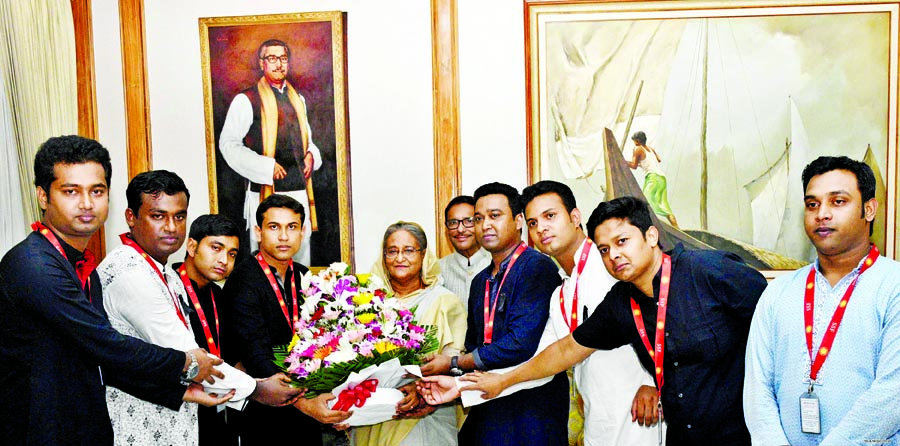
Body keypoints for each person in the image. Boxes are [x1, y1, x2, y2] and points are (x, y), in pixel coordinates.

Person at [430, 196, 768, 445]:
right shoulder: (606, 296)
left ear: (651, 236)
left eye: (622, 242)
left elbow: (770, 323)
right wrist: (477, 384)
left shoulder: (705, 271)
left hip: (720, 428)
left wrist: (652, 381)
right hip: (634, 423)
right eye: (605, 249)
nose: (614, 255)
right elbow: (561, 351)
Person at [0, 136, 228, 445]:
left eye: (97, 191)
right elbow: (108, 344)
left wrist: (180, 391)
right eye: (70, 191)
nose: (86, 203)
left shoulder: (83, 268)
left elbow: (101, 361)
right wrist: (186, 364)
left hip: (79, 427)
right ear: (43, 197)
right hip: (38, 430)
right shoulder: (34, 265)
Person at [98, 171, 303, 445]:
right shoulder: (130, 272)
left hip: (194, 409)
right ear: (131, 217)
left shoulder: (163, 272)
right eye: (158, 216)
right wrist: (256, 388)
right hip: (141, 420)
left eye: (179, 216)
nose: (171, 227)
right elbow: (188, 356)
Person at [744, 156, 900, 445]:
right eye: (812, 204)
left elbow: (892, 393)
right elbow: (758, 390)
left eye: (838, 201)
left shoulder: (893, 286)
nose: (822, 214)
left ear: (869, 209)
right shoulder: (778, 293)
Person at [422, 182, 568, 446]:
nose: (485, 225)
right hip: (487, 400)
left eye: (495, 216)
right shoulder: (480, 281)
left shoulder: (538, 268)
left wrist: (454, 363)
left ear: (519, 220)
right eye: (479, 218)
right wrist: (447, 379)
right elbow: (474, 346)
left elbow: (520, 344)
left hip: (531, 403)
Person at [222, 194, 350, 446]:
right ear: (258, 232)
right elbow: (255, 356)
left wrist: (329, 396)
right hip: (265, 413)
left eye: (292, 227)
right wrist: (307, 404)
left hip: (306, 409)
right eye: (274, 227)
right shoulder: (242, 280)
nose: (283, 236)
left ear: (302, 232)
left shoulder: (304, 276)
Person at [351, 221, 467, 446]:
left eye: (408, 250)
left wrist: (421, 389)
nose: (400, 258)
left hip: (422, 415)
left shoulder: (444, 302)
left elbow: (456, 363)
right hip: (370, 417)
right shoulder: (367, 304)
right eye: (392, 251)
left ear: (424, 255)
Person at [219, 38, 322, 265]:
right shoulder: (246, 99)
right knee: (266, 258)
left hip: (299, 191)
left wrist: (311, 156)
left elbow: (308, 141)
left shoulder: (298, 99)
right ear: (261, 63)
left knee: (301, 257)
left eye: (283, 58)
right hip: (265, 191)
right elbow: (228, 144)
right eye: (272, 58)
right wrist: (265, 166)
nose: (278, 64)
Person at [172, 214, 243, 446]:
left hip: (219, 405)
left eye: (232, 253)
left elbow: (231, 353)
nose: (224, 260)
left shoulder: (221, 295)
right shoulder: (169, 287)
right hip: (178, 408)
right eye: (216, 248)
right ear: (192, 246)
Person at [439, 195, 491, 308]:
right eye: (453, 222)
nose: (460, 229)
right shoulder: (437, 270)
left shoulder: (496, 264)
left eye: (468, 221)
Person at [627, 131, 679, 228]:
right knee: (665, 206)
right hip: (662, 179)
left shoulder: (638, 148)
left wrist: (623, 161)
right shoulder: (651, 149)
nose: (634, 143)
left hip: (653, 178)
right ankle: (677, 229)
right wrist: (642, 163)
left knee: (643, 202)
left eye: (634, 141)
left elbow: (633, 165)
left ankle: (645, 225)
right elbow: (658, 160)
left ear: (637, 141)